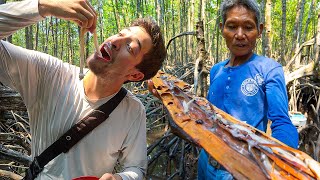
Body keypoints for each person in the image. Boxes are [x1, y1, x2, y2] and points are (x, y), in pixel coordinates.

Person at [0, 0, 166, 179]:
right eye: (120, 33)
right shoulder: (48, 74)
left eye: (130, 47)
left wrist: (120, 178)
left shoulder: (133, 111)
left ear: (135, 76)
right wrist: (43, 6)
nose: (115, 40)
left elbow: (136, 168)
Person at [197, 0, 298, 179]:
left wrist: (282, 163)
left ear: (259, 30)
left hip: (242, 170)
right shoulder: (216, 70)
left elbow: (281, 122)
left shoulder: (269, 69)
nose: (240, 35)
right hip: (205, 163)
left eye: (248, 27)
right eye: (232, 26)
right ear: (222, 28)